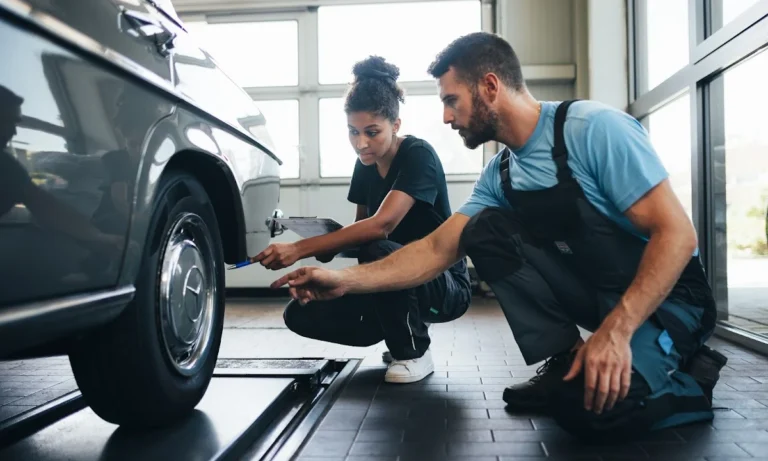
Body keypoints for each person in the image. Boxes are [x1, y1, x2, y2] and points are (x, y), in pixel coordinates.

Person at [270, 33, 728, 440]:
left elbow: (678, 234)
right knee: (484, 230)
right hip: (600, 295)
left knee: (589, 412)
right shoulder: (500, 174)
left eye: (452, 101)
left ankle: (693, 380)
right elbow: (434, 250)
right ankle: (563, 357)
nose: (447, 117)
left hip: (669, 302)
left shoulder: (591, 130)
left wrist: (616, 331)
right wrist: (345, 281)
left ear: (489, 87)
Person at [254, 56, 473, 384]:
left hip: (444, 286)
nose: (361, 143)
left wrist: (299, 248)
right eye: (353, 132)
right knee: (300, 315)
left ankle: (413, 351)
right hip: (393, 279)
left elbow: (379, 226)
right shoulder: (365, 165)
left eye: (372, 132)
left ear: (395, 125)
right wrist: (320, 248)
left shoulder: (418, 155)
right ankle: (396, 330)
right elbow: (360, 235)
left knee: (381, 248)